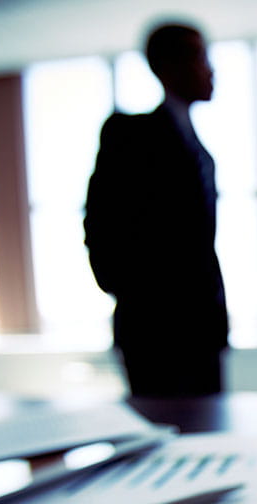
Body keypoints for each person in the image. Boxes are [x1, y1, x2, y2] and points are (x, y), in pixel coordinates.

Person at [84, 21, 228, 397]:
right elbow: (101, 221)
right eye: (200, 57)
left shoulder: (202, 152)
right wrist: (129, 294)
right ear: (167, 66)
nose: (210, 69)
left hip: (203, 329)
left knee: (207, 439)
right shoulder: (128, 134)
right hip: (152, 330)